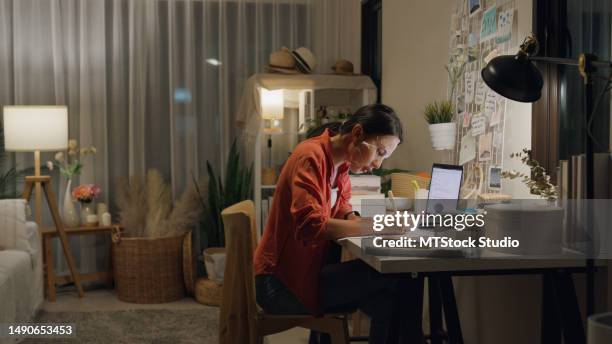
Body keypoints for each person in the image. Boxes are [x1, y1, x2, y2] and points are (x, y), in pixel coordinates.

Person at [254, 104, 409, 343]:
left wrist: (355, 219)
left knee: (390, 287)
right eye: (379, 152)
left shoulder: (340, 163)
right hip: (279, 283)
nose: (379, 164)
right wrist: (378, 227)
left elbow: (341, 204)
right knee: (391, 284)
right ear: (357, 134)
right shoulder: (310, 156)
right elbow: (311, 226)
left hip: (301, 273)